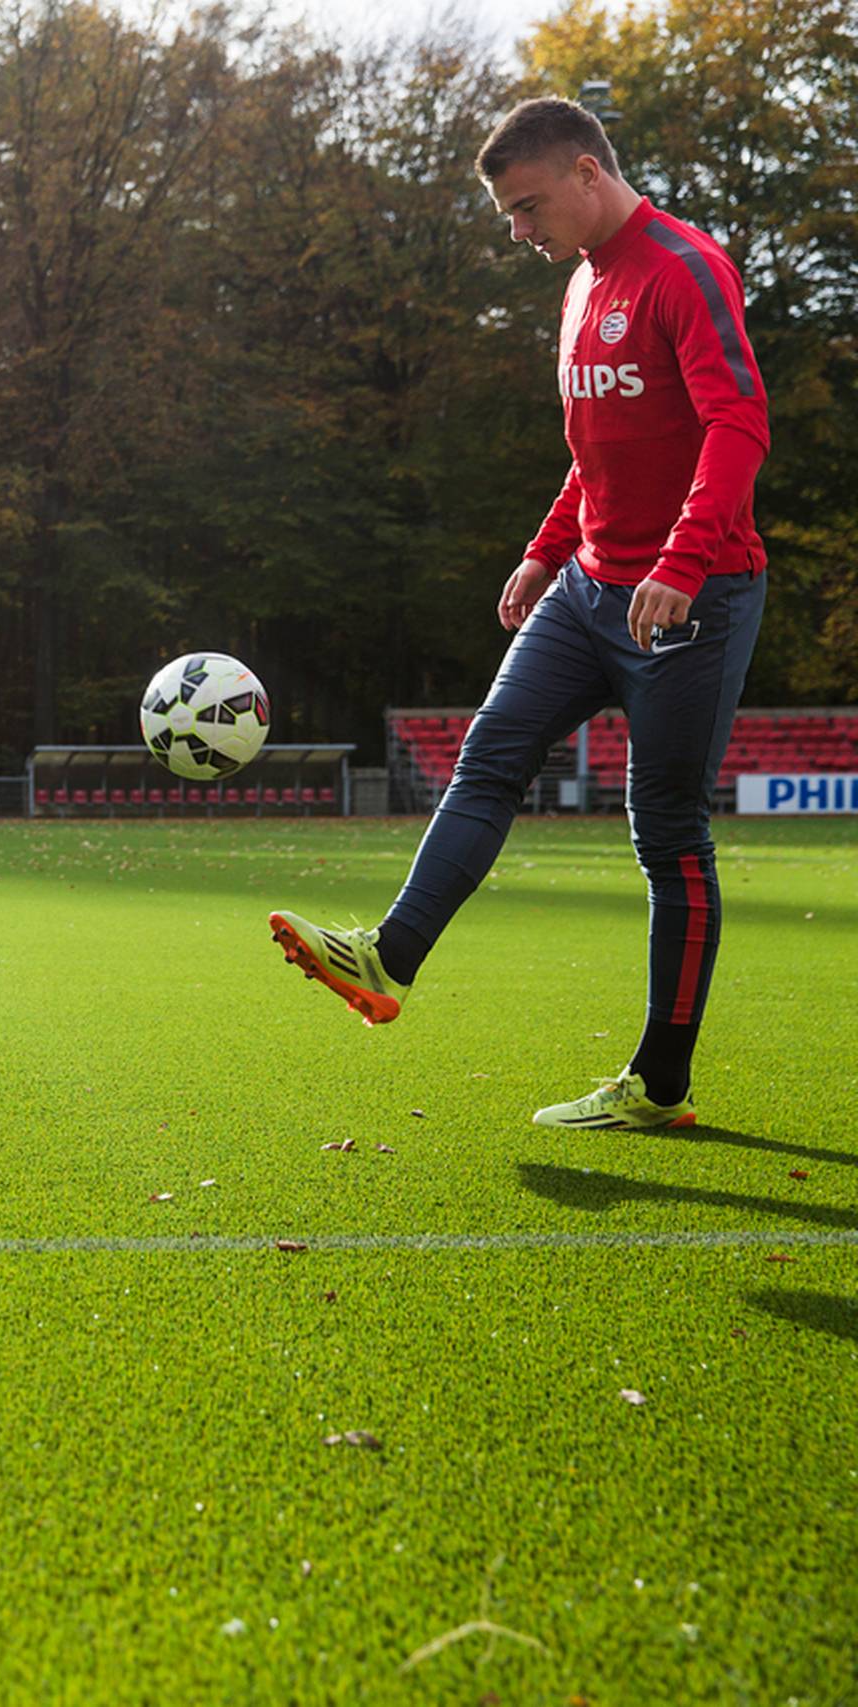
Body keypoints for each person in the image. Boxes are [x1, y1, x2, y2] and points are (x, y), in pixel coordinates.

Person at [268, 95, 768, 1131]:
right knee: (491, 750)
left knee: (666, 834)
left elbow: (736, 422)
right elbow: (599, 452)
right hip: (588, 589)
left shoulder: (682, 266)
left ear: (588, 172)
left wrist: (680, 561)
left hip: (691, 596)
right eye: (508, 213)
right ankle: (386, 957)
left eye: (527, 205)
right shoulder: (582, 283)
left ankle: (659, 1085)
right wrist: (547, 551)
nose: (517, 231)